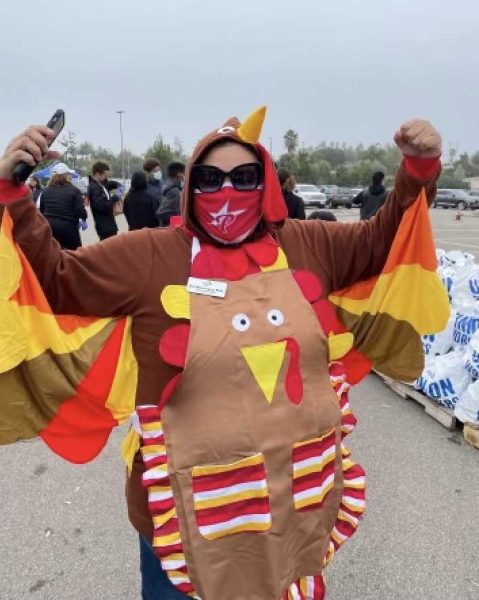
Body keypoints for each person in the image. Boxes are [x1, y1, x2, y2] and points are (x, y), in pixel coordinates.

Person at [0, 109, 443, 600]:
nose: (226, 190)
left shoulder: (306, 243)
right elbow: (57, 280)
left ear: (267, 184)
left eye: (245, 177)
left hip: (290, 505)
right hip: (187, 515)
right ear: (191, 186)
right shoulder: (149, 254)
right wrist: (13, 196)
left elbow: (387, 239)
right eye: (210, 178)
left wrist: (417, 173)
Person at [37, 162, 87, 250]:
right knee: (72, 256)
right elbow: (81, 212)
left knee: (53, 256)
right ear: (66, 175)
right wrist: (84, 217)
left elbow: (42, 211)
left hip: (50, 228)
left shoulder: (45, 191)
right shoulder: (74, 191)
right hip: (68, 228)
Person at [87, 160, 119, 240]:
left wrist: (119, 187)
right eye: (105, 175)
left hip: (109, 224)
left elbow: (112, 183)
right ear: (97, 174)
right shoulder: (94, 188)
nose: (106, 177)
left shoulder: (101, 184)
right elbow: (102, 206)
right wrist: (115, 197)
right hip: (104, 227)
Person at [157, 161, 186, 226]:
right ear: (180, 175)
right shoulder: (174, 191)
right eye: (185, 174)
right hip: (170, 228)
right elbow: (177, 212)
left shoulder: (166, 185)